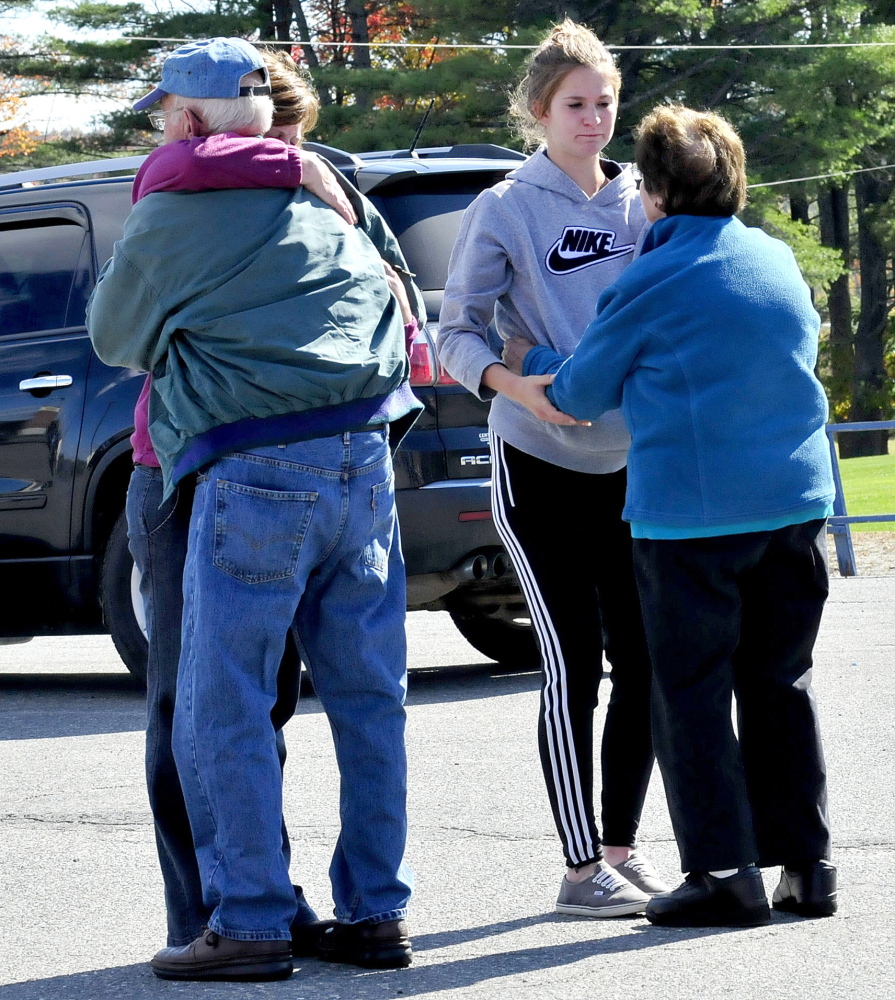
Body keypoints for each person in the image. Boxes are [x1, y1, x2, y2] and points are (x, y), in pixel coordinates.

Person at [88, 37, 421, 981]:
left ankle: (249, 922)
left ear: (187, 119)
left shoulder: (173, 213)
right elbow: (399, 313)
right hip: (364, 459)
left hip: (249, 467)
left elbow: (114, 339)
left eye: (164, 112)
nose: (161, 125)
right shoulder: (327, 200)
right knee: (368, 701)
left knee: (221, 700)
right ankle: (375, 913)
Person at [521, 104, 837, 928]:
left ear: (654, 194)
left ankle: (724, 873)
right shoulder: (771, 259)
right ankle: (807, 866)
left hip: (691, 519)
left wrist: (527, 358)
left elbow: (579, 394)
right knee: (780, 683)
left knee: (690, 694)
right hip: (795, 503)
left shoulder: (650, 279)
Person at [438, 19, 668, 918]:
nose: (595, 118)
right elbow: (454, 330)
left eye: (605, 100)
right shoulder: (504, 206)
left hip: (630, 463)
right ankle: (578, 870)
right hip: (536, 459)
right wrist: (511, 383)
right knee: (572, 661)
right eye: (576, 103)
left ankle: (619, 846)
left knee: (643, 658)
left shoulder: (643, 203)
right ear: (539, 111)